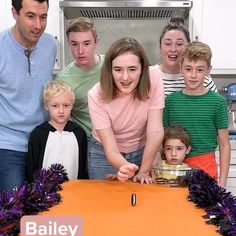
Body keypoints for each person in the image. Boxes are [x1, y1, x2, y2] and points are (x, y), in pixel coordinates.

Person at [88, 37, 164, 184]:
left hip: (142, 150)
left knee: (140, 202)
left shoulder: (154, 78)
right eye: (118, 69)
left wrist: (143, 171)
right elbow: (111, 150)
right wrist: (126, 168)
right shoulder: (95, 95)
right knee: (105, 202)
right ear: (109, 70)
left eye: (132, 69)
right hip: (103, 154)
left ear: (142, 69)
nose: (125, 77)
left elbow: (155, 131)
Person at [0, 0, 57, 191]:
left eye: (43, 17)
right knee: (13, 213)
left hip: (43, 142)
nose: (38, 25)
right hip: (8, 145)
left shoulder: (50, 44)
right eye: (30, 16)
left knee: (46, 211)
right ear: (15, 13)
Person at [163, 41, 231, 186]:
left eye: (200, 70)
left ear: (208, 70)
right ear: (181, 68)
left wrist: (223, 183)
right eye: (188, 69)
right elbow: (159, 140)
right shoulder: (170, 101)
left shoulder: (218, 102)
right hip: (172, 170)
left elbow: (224, 145)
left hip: (206, 169)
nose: (193, 75)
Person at [27, 80, 88, 181]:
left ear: (72, 105)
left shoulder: (79, 133)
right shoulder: (38, 134)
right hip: (44, 192)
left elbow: (83, 166)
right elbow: (31, 167)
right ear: (46, 106)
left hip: (75, 190)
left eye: (66, 105)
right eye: (55, 106)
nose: (61, 111)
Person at [57, 17, 104, 139]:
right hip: (86, 142)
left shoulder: (112, 66)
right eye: (74, 44)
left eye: (86, 43)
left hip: (119, 139)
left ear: (96, 42)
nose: (80, 51)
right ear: (69, 44)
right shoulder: (63, 79)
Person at [158, 17, 217, 96]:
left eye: (179, 44)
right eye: (168, 44)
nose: (173, 49)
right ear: (160, 47)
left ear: (188, 47)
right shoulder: (148, 76)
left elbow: (215, 105)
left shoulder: (204, 80)